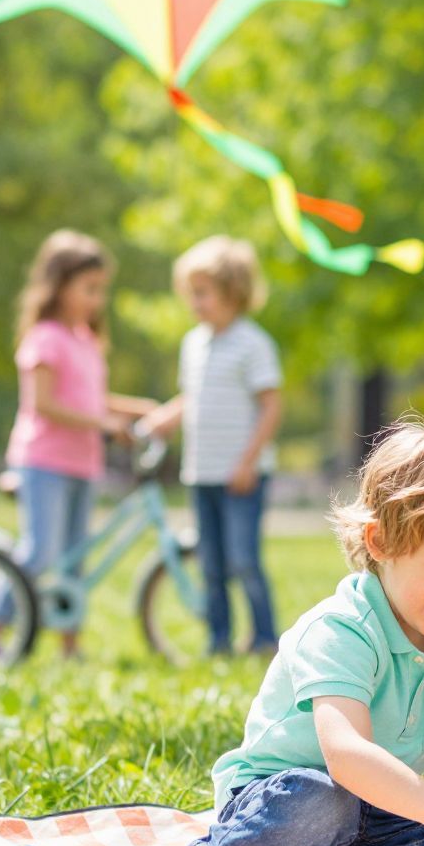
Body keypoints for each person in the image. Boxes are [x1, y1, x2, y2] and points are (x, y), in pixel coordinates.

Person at [97, 425, 424, 846]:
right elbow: (347, 756)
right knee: (327, 802)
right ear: (381, 542)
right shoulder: (343, 628)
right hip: (284, 801)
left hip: (380, 813)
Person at [0, 230, 156, 661]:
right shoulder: (45, 338)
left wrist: (136, 409)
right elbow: (45, 403)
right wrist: (107, 423)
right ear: (59, 285)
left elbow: (90, 400)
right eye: (88, 288)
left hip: (82, 464)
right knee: (39, 553)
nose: (96, 299)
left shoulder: (86, 340)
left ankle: (69, 646)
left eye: (100, 290)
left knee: (74, 560)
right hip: (44, 461)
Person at [142, 237, 283, 656]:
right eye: (191, 294)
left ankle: (263, 638)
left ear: (233, 292)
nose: (194, 303)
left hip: (240, 474)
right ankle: (218, 640)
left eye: (202, 293)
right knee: (211, 564)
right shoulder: (194, 343)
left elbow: (271, 406)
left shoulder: (252, 343)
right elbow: (193, 397)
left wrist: (247, 462)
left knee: (244, 560)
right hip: (201, 472)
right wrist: (163, 420)